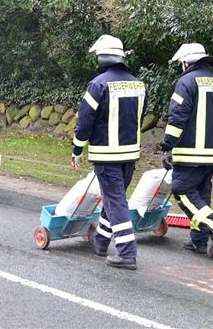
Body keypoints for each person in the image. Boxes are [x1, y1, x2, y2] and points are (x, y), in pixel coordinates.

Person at [72, 35, 146, 270]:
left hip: (107, 155)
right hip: (130, 154)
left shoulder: (98, 85)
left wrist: (77, 148)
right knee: (115, 199)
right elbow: (140, 117)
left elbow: (85, 121)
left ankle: (127, 253)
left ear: (103, 58)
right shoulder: (138, 84)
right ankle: (101, 241)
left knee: (115, 201)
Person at [161, 43, 213, 259]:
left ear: (185, 62)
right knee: (201, 194)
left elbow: (177, 117)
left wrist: (168, 145)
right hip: (210, 152)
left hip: (188, 151)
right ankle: (199, 241)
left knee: (181, 190)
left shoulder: (186, 81)